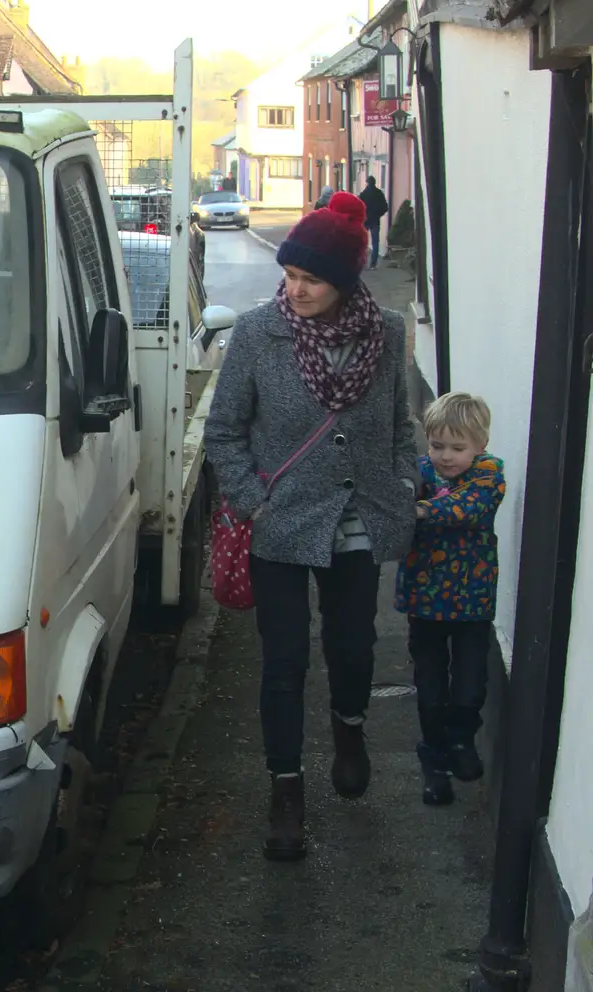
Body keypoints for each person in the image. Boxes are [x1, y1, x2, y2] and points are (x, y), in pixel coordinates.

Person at [206, 191, 418, 862]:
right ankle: (286, 790)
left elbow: (400, 424)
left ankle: (350, 726)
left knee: (353, 650)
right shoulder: (258, 332)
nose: (294, 288)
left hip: (358, 519)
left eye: (310, 279)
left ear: (345, 281)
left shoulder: (384, 332)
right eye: (291, 275)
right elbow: (224, 430)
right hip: (281, 525)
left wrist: (406, 484)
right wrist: (254, 500)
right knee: (284, 662)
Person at [394, 392, 505, 807]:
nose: (445, 457)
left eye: (458, 448)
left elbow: (466, 508)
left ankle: (461, 738)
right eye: (437, 445)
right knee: (430, 686)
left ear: (481, 445)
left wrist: (417, 510)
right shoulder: (420, 472)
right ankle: (434, 763)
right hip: (425, 601)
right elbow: (397, 489)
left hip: (473, 602)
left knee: (471, 683)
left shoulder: (488, 476)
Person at [360, 176, 390, 269]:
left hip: (365, 221)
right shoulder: (379, 193)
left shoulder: (363, 194)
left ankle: (362, 263)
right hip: (375, 221)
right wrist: (378, 214)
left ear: (367, 182)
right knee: (375, 242)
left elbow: (358, 206)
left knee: (363, 242)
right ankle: (373, 264)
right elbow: (385, 207)